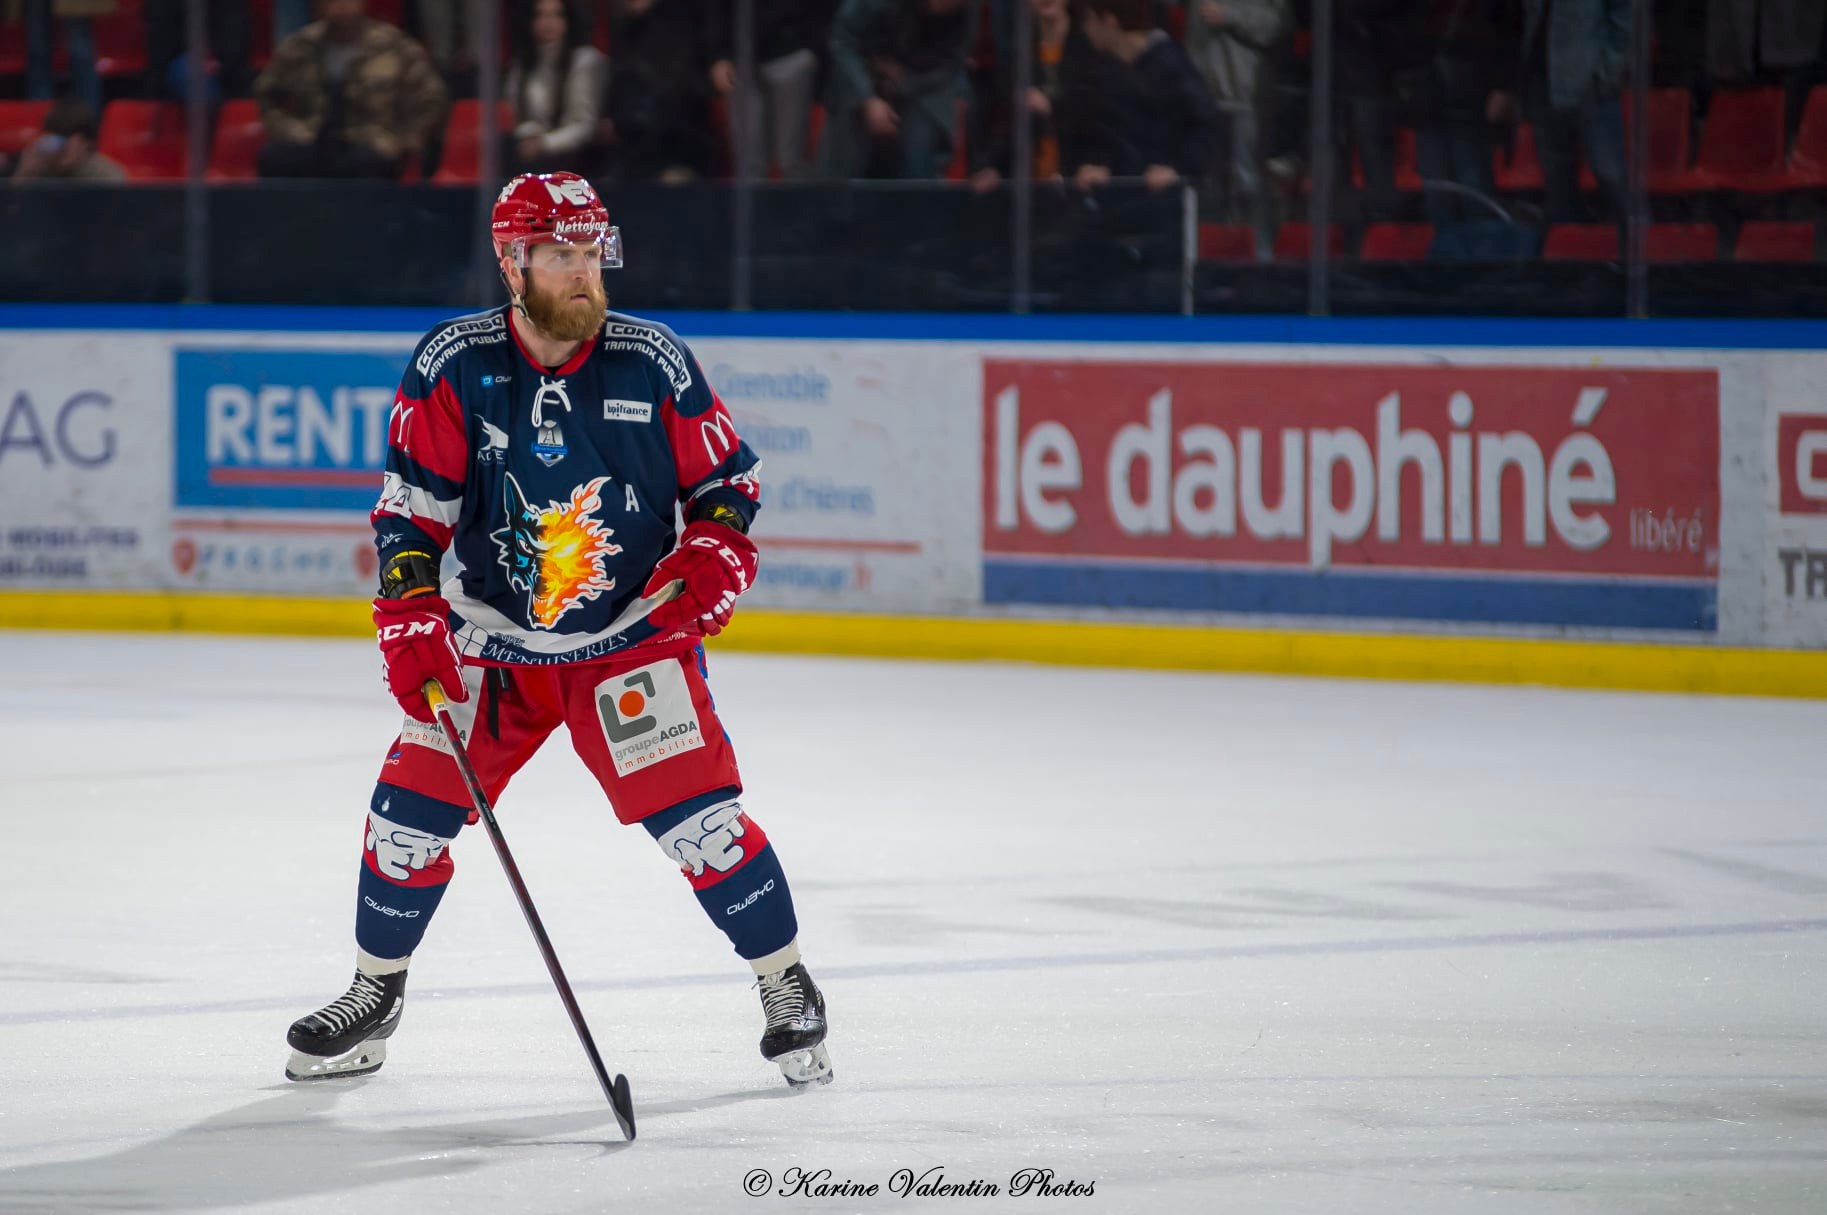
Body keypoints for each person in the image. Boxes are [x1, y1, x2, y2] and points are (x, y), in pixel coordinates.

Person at [283, 171, 833, 1094]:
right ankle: (374, 993)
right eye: (562, 257)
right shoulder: (453, 361)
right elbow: (410, 513)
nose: (584, 275)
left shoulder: (652, 358)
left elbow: (729, 484)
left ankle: (787, 985)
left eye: (591, 255)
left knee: (704, 829)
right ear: (513, 262)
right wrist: (410, 612)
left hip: (628, 640)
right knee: (403, 826)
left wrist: (711, 553)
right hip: (494, 644)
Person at [254, 0, 448, 179]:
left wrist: (403, 141)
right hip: (310, 140)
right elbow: (266, 93)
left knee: (369, 163)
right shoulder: (299, 46)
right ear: (319, 6)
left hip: (372, 143)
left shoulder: (395, 45)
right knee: (275, 157)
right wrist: (287, 128)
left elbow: (431, 98)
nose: (343, 6)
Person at [1488, 0, 1628, 223]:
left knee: (1610, 176)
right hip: (1542, 83)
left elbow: (1625, 24)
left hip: (1588, 85)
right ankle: (1568, 249)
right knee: (1558, 181)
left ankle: (1629, 244)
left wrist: (1606, 77)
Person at [821, 0, 981, 179]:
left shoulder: (968, 11)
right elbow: (842, 40)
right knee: (850, 162)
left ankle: (920, 199)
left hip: (923, 85)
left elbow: (952, 64)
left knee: (919, 148)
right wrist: (868, 97)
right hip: (864, 72)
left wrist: (904, 80)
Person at [1074, 0, 1222, 193]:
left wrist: (1178, 169)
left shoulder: (1170, 64)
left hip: (1163, 200)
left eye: (1090, 20)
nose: (1086, 29)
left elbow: (1206, 125)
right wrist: (1098, 164)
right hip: (1121, 197)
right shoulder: (1106, 69)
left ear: (1109, 21)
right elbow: (1106, 133)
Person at [967, 0, 1103, 192]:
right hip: (1030, 181)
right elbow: (1007, 121)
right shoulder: (1019, 50)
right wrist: (993, 167)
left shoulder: (1090, 44)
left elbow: (1097, 112)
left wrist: (1051, 106)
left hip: (1079, 172)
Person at [707, 0, 832, 180]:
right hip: (740, 62)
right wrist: (718, 55)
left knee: (791, 162)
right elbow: (716, 8)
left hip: (791, 54)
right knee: (749, 163)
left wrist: (813, 49)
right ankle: (756, 208)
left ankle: (797, 208)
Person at [604, 0, 719, 183]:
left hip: (678, 149)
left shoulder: (681, 28)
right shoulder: (624, 30)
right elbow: (621, 84)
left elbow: (680, 97)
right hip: (631, 151)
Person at [503, 0, 609, 177]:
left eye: (556, 15)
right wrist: (528, 134)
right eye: (541, 15)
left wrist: (544, 144)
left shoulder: (585, 61)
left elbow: (583, 126)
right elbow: (513, 115)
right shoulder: (520, 67)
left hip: (575, 158)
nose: (548, 22)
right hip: (528, 153)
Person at [7, 96, 125, 181]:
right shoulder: (41, 168)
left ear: (86, 143)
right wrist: (24, 174)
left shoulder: (107, 175)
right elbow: (13, 210)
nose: (60, 147)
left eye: (66, 137)